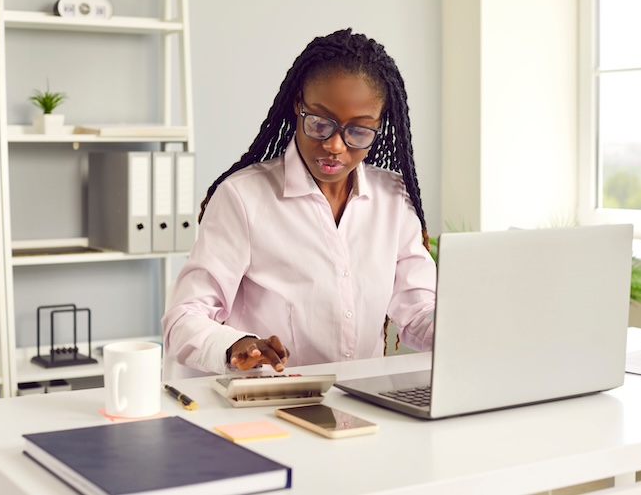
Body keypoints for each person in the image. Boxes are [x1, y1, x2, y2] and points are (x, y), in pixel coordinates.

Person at [162, 28, 436, 375]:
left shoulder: (393, 199)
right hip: (270, 405)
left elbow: (418, 309)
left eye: (358, 131)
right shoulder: (243, 197)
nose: (335, 145)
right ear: (298, 106)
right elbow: (184, 316)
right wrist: (234, 344)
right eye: (320, 123)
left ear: (380, 126)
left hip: (361, 406)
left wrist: (460, 328)